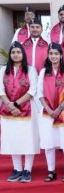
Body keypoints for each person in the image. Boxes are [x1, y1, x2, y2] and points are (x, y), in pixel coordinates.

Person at [0, 41, 39, 183]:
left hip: (27, 108)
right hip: (7, 109)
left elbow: (32, 90)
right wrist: (10, 105)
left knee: (27, 139)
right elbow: (1, 90)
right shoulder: (4, 70)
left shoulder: (30, 70)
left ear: (23, 54)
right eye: (13, 52)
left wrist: (16, 104)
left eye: (18, 52)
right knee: (12, 139)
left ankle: (27, 169)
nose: (16, 55)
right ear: (10, 55)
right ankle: (17, 169)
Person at [37, 43, 64, 182]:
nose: (53, 56)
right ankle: (51, 171)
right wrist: (49, 109)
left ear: (61, 55)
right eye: (51, 54)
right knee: (49, 143)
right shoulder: (43, 72)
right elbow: (40, 93)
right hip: (47, 113)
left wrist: (59, 109)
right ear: (48, 55)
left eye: (56, 54)